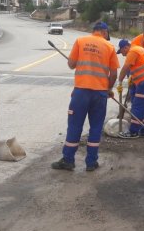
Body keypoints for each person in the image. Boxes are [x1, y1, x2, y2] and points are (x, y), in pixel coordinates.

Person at [51, 22, 119, 172]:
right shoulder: (109, 47)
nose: (109, 36)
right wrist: (108, 89)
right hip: (100, 94)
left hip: (81, 92)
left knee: (75, 126)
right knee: (95, 127)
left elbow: (71, 64)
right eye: (108, 33)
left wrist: (77, 61)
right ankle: (91, 162)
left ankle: (68, 160)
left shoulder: (81, 41)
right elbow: (113, 74)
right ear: (103, 31)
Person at [115, 39, 144, 139]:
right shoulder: (139, 49)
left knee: (138, 106)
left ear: (125, 47)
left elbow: (126, 67)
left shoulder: (133, 51)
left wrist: (120, 81)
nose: (122, 54)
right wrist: (133, 78)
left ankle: (133, 131)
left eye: (122, 51)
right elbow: (140, 66)